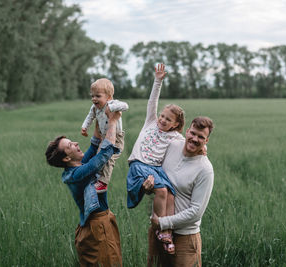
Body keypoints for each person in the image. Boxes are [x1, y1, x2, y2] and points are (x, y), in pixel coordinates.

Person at [45, 109, 123, 267]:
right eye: (70, 145)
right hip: (98, 225)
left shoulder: (77, 167)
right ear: (67, 158)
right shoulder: (77, 175)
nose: (76, 143)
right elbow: (102, 156)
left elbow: (94, 145)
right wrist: (113, 123)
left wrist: (98, 115)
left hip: (90, 225)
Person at [127, 63, 185, 254]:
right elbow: (153, 101)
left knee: (170, 193)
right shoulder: (150, 122)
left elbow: (191, 142)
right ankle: (160, 225)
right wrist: (158, 80)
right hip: (140, 164)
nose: (162, 120)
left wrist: (203, 149)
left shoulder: (174, 136)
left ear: (175, 125)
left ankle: (167, 232)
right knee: (160, 190)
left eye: (168, 120)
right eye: (162, 116)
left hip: (155, 169)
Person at [146, 116, 215, 267]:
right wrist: (148, 187)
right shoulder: (172, 146)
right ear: (187, 131)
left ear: (206, 141)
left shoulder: (205, 169)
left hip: (185, 238)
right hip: (158, 232)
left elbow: (196, 211)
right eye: (193, 133)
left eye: (201, 137)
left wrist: (163, 222)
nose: (195, 139)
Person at [81, 78, 129, 193]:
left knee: (108, 160)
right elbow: (90, 117)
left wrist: (111, 108)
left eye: (98, 96)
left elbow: (125, 106)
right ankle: (96, 179)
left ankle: (103, 183)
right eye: (92, 96)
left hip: (116, 138)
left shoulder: (113, 104)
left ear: (108, 97)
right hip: (104, 137)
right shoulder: (94, 108)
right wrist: (84, 127)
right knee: (99, 158)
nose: (94, 99)